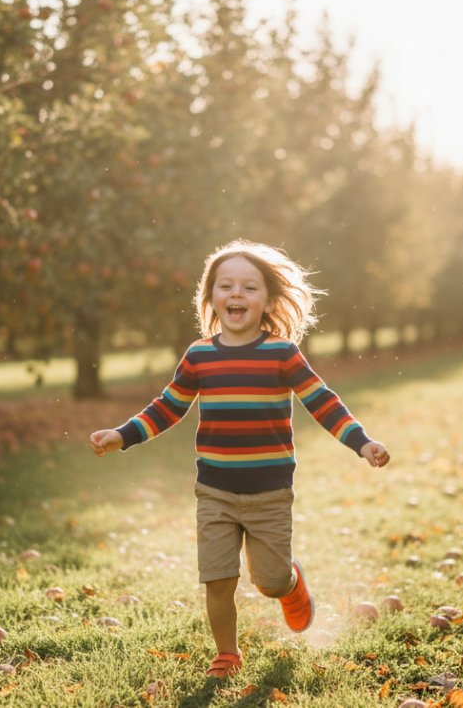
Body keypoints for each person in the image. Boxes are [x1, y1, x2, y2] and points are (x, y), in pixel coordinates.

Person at [88, 239, 390, 679]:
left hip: (269, 493)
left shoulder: (282, 353)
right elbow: (167, 406)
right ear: (210, 297)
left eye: (249, 287)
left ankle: (289, 582)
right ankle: (227, 653)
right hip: (215, 490)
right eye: (225, 285)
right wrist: (122, 435)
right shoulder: (199, 356)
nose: (236, 294)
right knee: (218, 577)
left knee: (268, 581)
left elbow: (322, 402)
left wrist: (362, 442)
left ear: (267, 300)